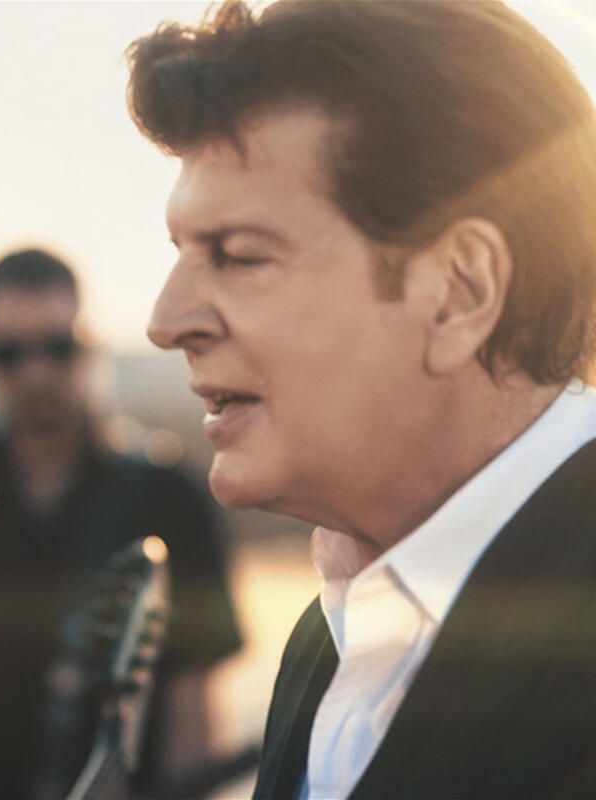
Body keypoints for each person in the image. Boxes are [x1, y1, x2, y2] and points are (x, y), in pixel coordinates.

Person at [127, 1, 596, 798]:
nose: (167, 322)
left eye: (238, 255)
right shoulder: (331, 637)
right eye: (182, 252)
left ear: (459, 291)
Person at [0, 249, 240, 798]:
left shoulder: (170, 499)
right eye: (10, 353)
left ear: (91, 346)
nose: (36, 374)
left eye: (58, 348)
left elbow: (191, 702)